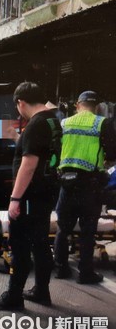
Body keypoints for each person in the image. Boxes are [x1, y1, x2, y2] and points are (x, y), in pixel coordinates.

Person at [0, 82, 61, 310]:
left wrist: (15, 199)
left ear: (21, 103)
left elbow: (29, 164)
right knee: (40, 243)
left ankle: (14, 296)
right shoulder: (51, 120)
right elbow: (39, 151)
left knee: (19, 245)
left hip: (29, 196)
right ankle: (41, 291)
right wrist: (19, 139)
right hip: (46, 193)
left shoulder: (36, 124)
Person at [53, 90, 116, 284]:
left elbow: (54, 150)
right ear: (96, 107)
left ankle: (61, 269)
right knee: (88, 231)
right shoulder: (102, 123)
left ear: (77, 105)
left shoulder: (64, 123)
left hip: (66, 182)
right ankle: (85, 273)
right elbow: (112, 153)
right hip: (91, 184)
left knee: (63, 229)